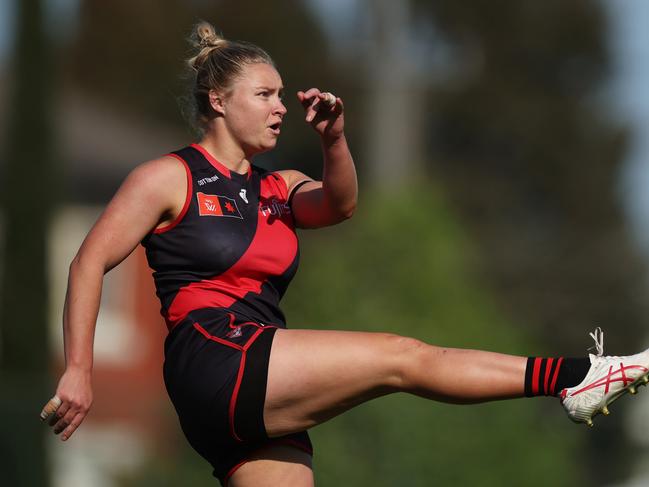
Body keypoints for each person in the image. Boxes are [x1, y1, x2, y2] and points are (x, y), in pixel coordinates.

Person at [40, 21, 649, 487]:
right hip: (215, 360)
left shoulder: (278, 186)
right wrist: (79, 369)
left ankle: (577, 381)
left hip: (254, 382)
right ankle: (576, 378)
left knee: (401, 360)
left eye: (283, 95)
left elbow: (339, 204)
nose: (281, 107)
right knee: (400, 357)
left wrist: (334, 139)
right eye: (265, 94)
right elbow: (87, 261)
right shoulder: (168, 177)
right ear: (219, 101)